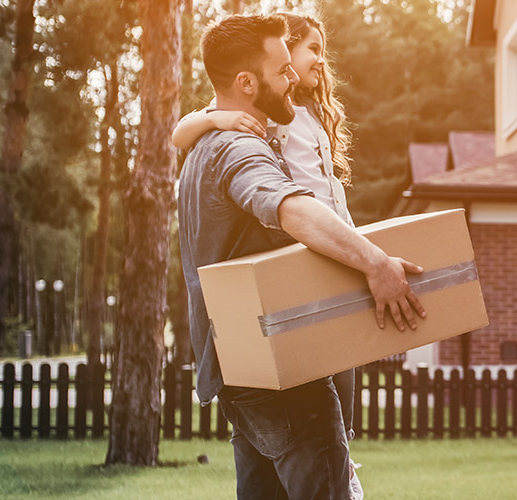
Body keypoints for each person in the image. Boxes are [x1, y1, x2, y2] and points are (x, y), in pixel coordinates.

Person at [178, 14, 425, 500]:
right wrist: (377, 264)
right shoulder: (237, 150)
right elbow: (292, 209)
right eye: (282, 70)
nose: (293, 77)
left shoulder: (203, 149)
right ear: (246, 83)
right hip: (283, 367)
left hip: (242, 368)